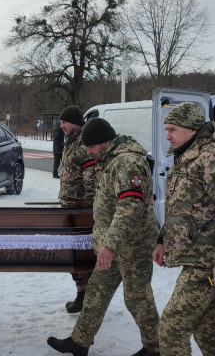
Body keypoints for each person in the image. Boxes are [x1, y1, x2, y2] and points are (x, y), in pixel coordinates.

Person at [48, 118, 160, 356]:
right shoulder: (109, 158)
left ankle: (155, 347)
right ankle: (79, 342)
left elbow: (130, 206)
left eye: (91, 147)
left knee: (137, 299)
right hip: (113, 245)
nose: (88, 151)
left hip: (132, 246)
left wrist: (109, 245)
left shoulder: (126, 162)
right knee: (96, 292)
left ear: (106, 141)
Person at [153, 102, 215, 356]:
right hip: (194, 256)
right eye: (166, 129)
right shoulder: (185, 156)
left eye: (172, 129)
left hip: (206, 260)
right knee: (210, 331)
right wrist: (163, 240)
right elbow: (180, 208)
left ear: (192, 129)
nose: (167, 136)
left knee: (172, 327)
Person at [57, 106, 96, 313]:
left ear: (75, 122)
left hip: (81, 209)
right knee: (74, 255)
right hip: (69, 206)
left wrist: (89, 209)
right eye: (61, 122)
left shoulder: (83, 142)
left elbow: (91, 179)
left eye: (65, 122)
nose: (61, 125)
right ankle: (82, 294)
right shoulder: (70, 141)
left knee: (82, 255)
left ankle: (88, 298)